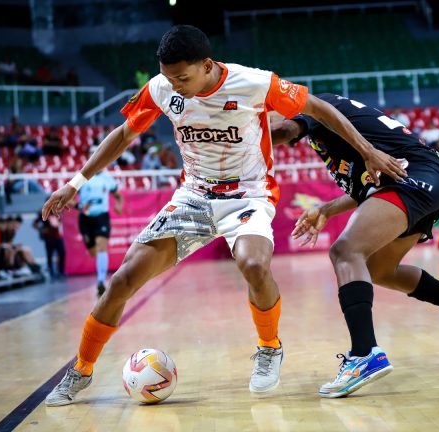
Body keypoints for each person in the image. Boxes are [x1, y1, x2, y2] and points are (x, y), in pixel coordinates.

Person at [40, 25, 405, 406]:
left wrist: (367, 151)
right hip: (193, 197)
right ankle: (80, 370)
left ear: (207, 65)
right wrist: (75, 183)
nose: (175, 86)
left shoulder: (253, 83)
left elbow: (319, 108)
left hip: (248, 195)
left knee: (254, 265)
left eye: (182, 78)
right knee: (123, 279)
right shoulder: (162, 88)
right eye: (168, 78)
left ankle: (269, 347)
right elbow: (123, 134)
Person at [271, 93, 439, 398]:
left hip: (415, 176)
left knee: (345, 251)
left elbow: (284, 130)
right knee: (379, 270)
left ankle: (364, 353)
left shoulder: (311, 107)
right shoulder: (326, 131)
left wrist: (240, 137)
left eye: (265, 115)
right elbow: (367, 189)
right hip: (421, 178)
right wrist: (326, 209)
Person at [76, 150, 123, 295]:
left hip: (102, 216)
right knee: (93, 252)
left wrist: (119, 205)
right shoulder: (82, 177)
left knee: (102, 246)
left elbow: (118, 196)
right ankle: (101, 276)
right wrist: (79, 206)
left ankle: (101, 281)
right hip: (86, 219)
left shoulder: (107, 179)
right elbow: (70, 198)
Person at [33, 205, 66, 278]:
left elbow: (59, 223)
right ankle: (51, 271)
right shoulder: (44, 212)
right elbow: (34, 224)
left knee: (62, 253)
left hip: (58, 237)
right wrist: (41, 230)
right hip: (49, 238)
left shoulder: (58, 212)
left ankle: (61, 270)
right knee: (50, 254)